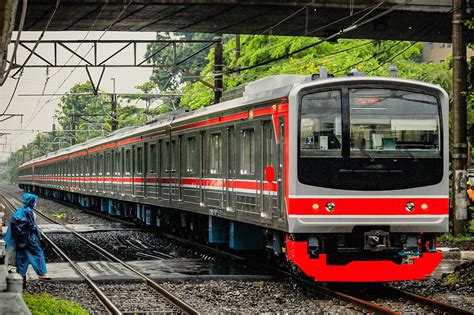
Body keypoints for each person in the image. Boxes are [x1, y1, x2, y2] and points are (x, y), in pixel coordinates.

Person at [4, 193, 50, 282]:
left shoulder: (21, 210)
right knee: (38, 253)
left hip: (20, 239)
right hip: (28, 238)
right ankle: (42, 273)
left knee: (22, 255)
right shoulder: (29, 212)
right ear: (31, 202)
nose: (35, 203)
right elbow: (33, 226)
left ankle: (20, 274)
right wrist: (38, 236)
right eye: (35, 202)